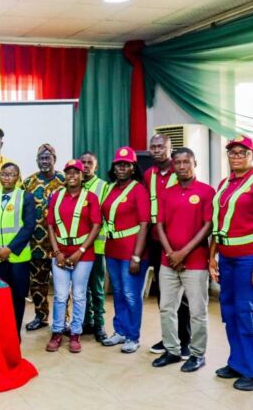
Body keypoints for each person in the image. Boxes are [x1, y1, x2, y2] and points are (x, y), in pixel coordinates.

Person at [209, 135, 253, 391]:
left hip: (252, 259)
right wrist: (212, 256)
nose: (236, 156)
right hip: (228, 259)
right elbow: (219, 223)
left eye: (242, 152)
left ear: (252, 155)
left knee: (252, 312)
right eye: (232, 152)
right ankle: (238, 363)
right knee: (231, 312)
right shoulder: (225, 183)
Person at [152, 148, 214, 373]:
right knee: (166, 308)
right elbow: (159, 225)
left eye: (186, 162)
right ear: (173, 165)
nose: (181, 166)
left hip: (195, 262)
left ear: (194, 163)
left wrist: (183, 253)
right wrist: (171, 254)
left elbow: (208, 226)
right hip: (168, 262)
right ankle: (172, 350)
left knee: (198, 311)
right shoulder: (167, 193)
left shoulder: (207, 191)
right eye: (177, 162)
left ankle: (197, 354)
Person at [45, 160, 101, 353]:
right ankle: (57, 331)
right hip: (60, 253)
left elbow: (96, 226)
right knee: (60, 296)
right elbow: (50, 225)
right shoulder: (57, 197)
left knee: (78, 294)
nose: (72, 176)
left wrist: (80, 252)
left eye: (76, 172)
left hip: (83, 255)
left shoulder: (91, 197)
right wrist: (57, 252)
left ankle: (75, 333)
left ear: (81, 175)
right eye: (68, 172)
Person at [144, 134, 191, 357]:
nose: (156, 150)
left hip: (180, 241)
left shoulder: (180, 170)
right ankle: (169, 338)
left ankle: (186, 341)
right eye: (153, 147)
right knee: (165, 294)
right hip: (156, 240)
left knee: (183, 295)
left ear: (169, 149)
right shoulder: (148, 174)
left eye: (161, 146)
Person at [100, 146, 150, 354]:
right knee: (118, 293)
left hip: (132, 252)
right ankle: (119, 331)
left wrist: (137, 256)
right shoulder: (110, 188)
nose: (121, 168)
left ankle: (132, 336)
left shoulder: (138, 189)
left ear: (132, 168)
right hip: (112, 249)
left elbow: (144, 223)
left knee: (131, 294)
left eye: (126, 165)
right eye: (118, 164)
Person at [0, 162, 34, 338]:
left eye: (11, 174)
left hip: (17, 258)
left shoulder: (25, 197)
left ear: (18, 177)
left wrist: (9, 249)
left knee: (17, 297)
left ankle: (14, 334)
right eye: (4, 174)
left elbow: (28, 227)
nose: (7, 177)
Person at [21, 143, 65, 332]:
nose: (44, 161)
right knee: (38, 284)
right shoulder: (29, 182)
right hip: (36, 243)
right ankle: (41, 316)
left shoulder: (64, 180)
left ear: (55, 159)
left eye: (48, 158)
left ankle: (63, 320)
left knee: (63, 287)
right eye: (41, 158)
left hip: (61, 244)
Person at [80, 151, 109, 342]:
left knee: (97, 288)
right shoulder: (73, 185)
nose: (86, 166)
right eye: (83, 162)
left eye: (90, 163)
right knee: (82, 289)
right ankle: (85, 323)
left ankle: (99, 324)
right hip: (78, 248)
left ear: (96, 167)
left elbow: (106, 216)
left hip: (96, 247)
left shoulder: (103, 186)